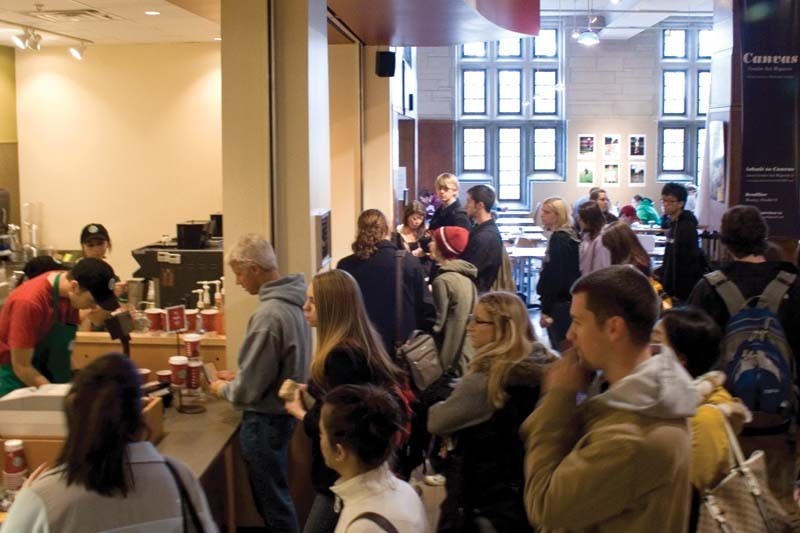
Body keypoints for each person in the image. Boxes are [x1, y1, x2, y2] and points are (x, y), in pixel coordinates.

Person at [521, 265, 697, 532]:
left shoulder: (634, 437)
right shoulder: (629, 396)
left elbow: (545, 505)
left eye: (578, 322)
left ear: (614, 328)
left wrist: (558, 398)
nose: (570, 334)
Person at [3, 353, 217, 532]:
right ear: (140, 412)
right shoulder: (178, 477)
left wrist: (22, 504)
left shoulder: (42, 498)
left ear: (73, 415)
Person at [688, 205, 800, 511]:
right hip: (780, 418)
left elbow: (693, 351)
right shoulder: (793, 284)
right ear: (763, 237)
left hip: (724, 417)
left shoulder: (709, 287)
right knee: (778, 505)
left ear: (725, 241)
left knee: (725, 508)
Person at [284, 270, 406, 533]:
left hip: (342, 475)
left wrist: (299, 412)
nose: (305, 307)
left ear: (332, 307)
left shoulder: (340, 356)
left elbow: (339, 415)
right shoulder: (360, 342)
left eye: (313, 301)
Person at [208, 234, 310, 532]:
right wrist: (241, 375)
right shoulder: (296, 302)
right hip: (283, 416)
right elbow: (274, 368)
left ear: (254, 269)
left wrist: (221, 388)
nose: (238, 282)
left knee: (273, 506)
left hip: (264, 422)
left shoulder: (268, 316)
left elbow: (248, 391)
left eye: (239, 273)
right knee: (276, 498)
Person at [428, 292, 554, 532]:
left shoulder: (488, 377)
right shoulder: (547, 365)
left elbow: (437, 421)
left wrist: (438, 403)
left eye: (478, 320)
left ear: (502, 328)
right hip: (529, 490)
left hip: (484, 493)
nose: (470, 328)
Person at [0, 258, 119, 396]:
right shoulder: (29, 303)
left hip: (52, 379)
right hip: (20, 388)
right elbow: (21, 366)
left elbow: (62, 348)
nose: (94, 307)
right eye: (92, 301)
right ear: (75, 286)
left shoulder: (69, 291)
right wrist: (57, 397)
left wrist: (80, 379)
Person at [321, 384, 431, 533]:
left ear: (340, 452)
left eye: (322, 434)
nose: (320, 439)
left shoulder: (362, 526)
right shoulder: (405, 490)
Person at [338, 209, 427, 352]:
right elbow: (424, 309)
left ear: (360, 230)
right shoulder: (408, 263)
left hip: (358, 349)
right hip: (399, 349)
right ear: (387, 230)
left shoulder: (345, 266)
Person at [429, 226, 476, 375]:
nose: (430, 244)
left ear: (442, 248)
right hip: (466, 352)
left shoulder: (443, 280)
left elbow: (438, 324)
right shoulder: (465, 276)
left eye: (433, 241)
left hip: (450, 354)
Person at [536, 197, 581, 350]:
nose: (542, 215)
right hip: (566, 300)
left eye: (547, 212)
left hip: (559, 303)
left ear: (558, 215)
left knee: (563, 349)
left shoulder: (560, 238)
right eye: (542, 211)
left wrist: (546, 309)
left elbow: (556, 276)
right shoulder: (569, 234)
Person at [602, 221, 673, 312]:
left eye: (609, 247)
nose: (608, 250)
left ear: (617, 246)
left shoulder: (631, 268)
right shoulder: (639, 257)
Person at [655, 182, 706, 302]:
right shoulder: (673, 223)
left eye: (670, 201)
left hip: (681, 291)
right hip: (671, 287)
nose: (665, 205)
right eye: (663, 200)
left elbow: (687, 260)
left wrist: (675, 291)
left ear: (681, 203)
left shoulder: (686, 226)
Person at [461, 184, 503, 293]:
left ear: (479, 205)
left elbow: (470, 270)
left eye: (469, 202)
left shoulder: (485, 237)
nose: (465, 206)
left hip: (477, 293)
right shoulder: (480, 229)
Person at [577, 201, 611, 275]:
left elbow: (601, 269)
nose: (578, 220)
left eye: (581, 218)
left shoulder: (601, 240)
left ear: (589, 220)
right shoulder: (587, 235)